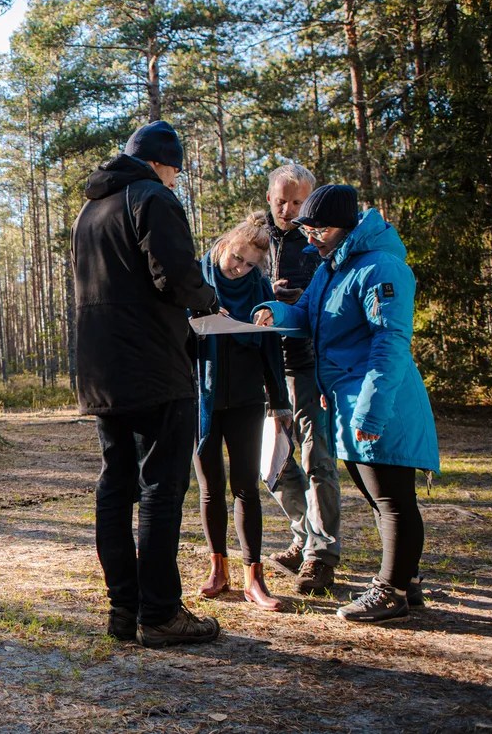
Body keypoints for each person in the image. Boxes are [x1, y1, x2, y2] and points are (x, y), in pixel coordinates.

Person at [253, 184, 439, 623]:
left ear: (345, 227)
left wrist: (373, 411)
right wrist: (275, 314)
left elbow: (390, 343)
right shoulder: (333, 267)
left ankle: (390, 592)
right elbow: (308, 316)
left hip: (380, 401)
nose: (311, 237)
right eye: (308, 229)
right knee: (380, 499)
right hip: (348, 400)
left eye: (319, 229)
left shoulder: (381, 267)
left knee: (392, 500)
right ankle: (406, 583)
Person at [72, 120, 222, 648]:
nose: (178, 180)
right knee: (161, 486)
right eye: (177, 170)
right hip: (155, 366)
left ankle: (124, 609)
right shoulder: (152, 197)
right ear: (162, 162)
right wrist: (208, 302)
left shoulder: (91, 209)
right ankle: (159, 614)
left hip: (101, 368)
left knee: (116, 485)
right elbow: (174, 277)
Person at [193, 212, 292, 612]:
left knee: (247, 486)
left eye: (250, 264)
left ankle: (254, 578)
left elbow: (270, 347)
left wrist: (280, 401)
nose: (240, 268)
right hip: (202, 398)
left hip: (248, 398)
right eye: (237, 258)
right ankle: (219, 570)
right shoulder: (196, 279)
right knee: (211, 488)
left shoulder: (260, 288)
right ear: (224, 245)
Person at [262, 165, 342, 594]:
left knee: (317, 461)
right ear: (269, 197)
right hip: (265, 367)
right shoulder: (253, 238)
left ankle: (321, 555)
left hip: (309, 365)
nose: (289, 211)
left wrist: (298, 301)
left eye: (298, 203)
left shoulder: (321, 241)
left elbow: (333, 301)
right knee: (273, 464)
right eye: (282, 202)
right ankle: (302, 534)